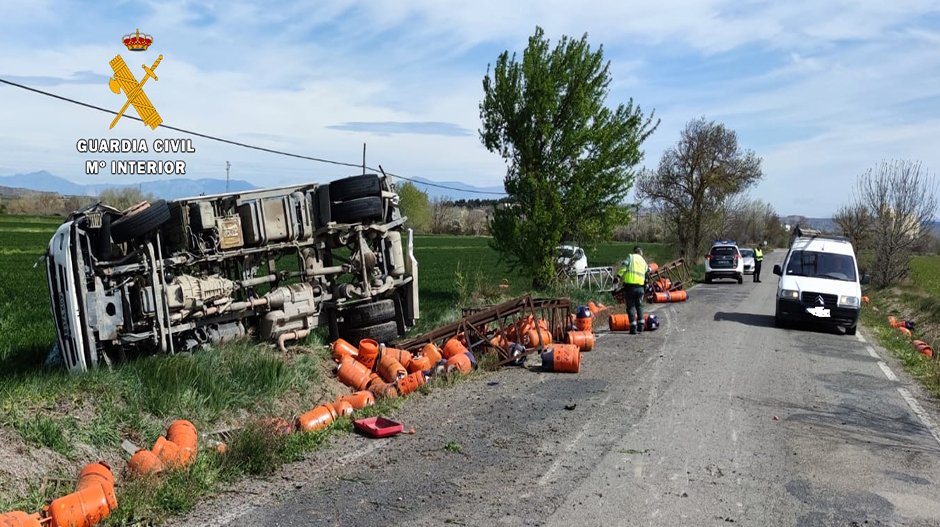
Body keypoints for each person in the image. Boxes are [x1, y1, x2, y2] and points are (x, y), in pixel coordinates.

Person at [616, 246, 650, 334]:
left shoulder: (630, 257)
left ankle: (633, 327)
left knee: (630, 306)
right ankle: (641, 325)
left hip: (630, 287)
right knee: (639, 305)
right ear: (641, 253)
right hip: (640, 288)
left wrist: (618, 276)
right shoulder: (643, 261)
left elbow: (624, 266)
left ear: (634, 252)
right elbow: (648, 271)